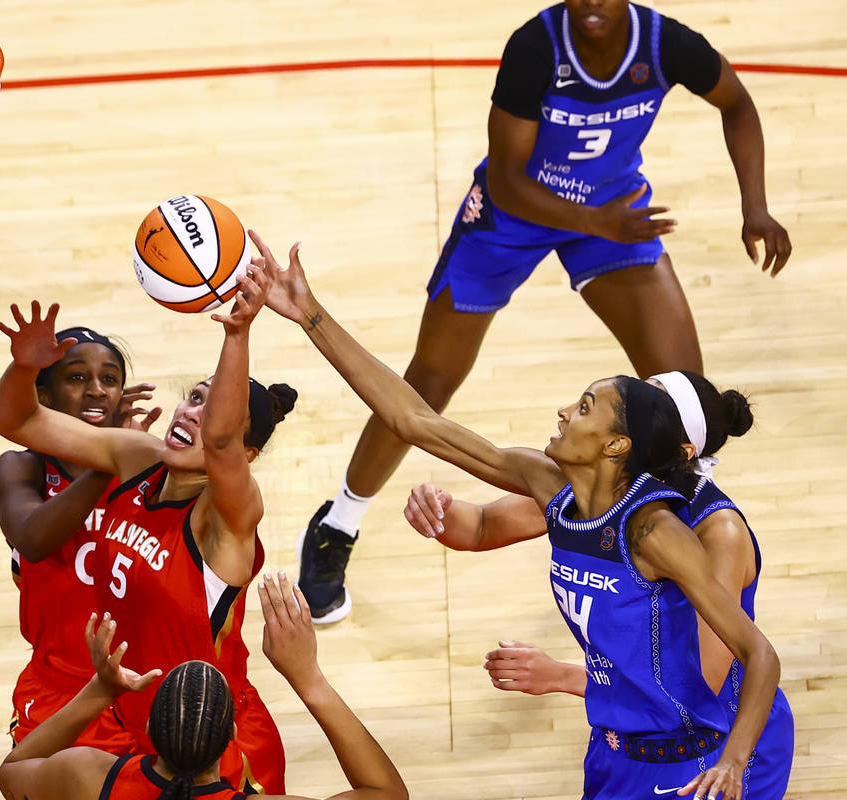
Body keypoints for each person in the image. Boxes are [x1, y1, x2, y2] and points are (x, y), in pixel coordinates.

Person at [295, 0, 793, 625]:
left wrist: (756, 205)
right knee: (430, 381)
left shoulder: (667, 45)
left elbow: (738, 104)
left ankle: (680, 552)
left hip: (611, 216)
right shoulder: (535, 48)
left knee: (683, 397)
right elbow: (506, 179)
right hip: (513, 216)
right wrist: (596, 220)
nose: (590, 3)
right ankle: (339, 522)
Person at [252, 232, 780, 800]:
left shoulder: (658, 533)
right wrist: (308, 314)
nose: (563, 410)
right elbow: (413, 420)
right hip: (614, 748)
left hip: (695, 757)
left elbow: (757, 656)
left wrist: (734, 762)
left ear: (617, 446)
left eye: (584, 408)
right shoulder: (549, 482)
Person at [401, 370, 793, 799]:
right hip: (629, 736)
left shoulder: (717, 534)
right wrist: (438, 511)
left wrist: (564, 676)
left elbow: (698, 679)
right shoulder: (597, 492)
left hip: (727, 742)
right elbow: (478, 527)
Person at [0, 281, 296, 793]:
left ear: (246, 456)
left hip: (212, 735)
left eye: (213, 408)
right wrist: (25, 367)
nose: (193, 414)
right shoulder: (138, 458)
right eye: (193, 398)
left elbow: (220, 442)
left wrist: (237, 334)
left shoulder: (226, 517)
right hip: (129, 713)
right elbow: (16, 420)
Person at [0, 573, 408, 800]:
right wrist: (308, 679)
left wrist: (100, 693)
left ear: (147, 735)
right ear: (232, 736)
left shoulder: (87, 777)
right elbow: (387, 794)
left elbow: (12, 772)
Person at [0, 326, 162, 747]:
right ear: (43, 397)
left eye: (109, 379)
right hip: (60, 689)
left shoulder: (152, 471)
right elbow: (33, 539)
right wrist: (108, 461)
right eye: (76, 378)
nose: (96, 390)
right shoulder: (19, 469)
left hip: (143, 683)